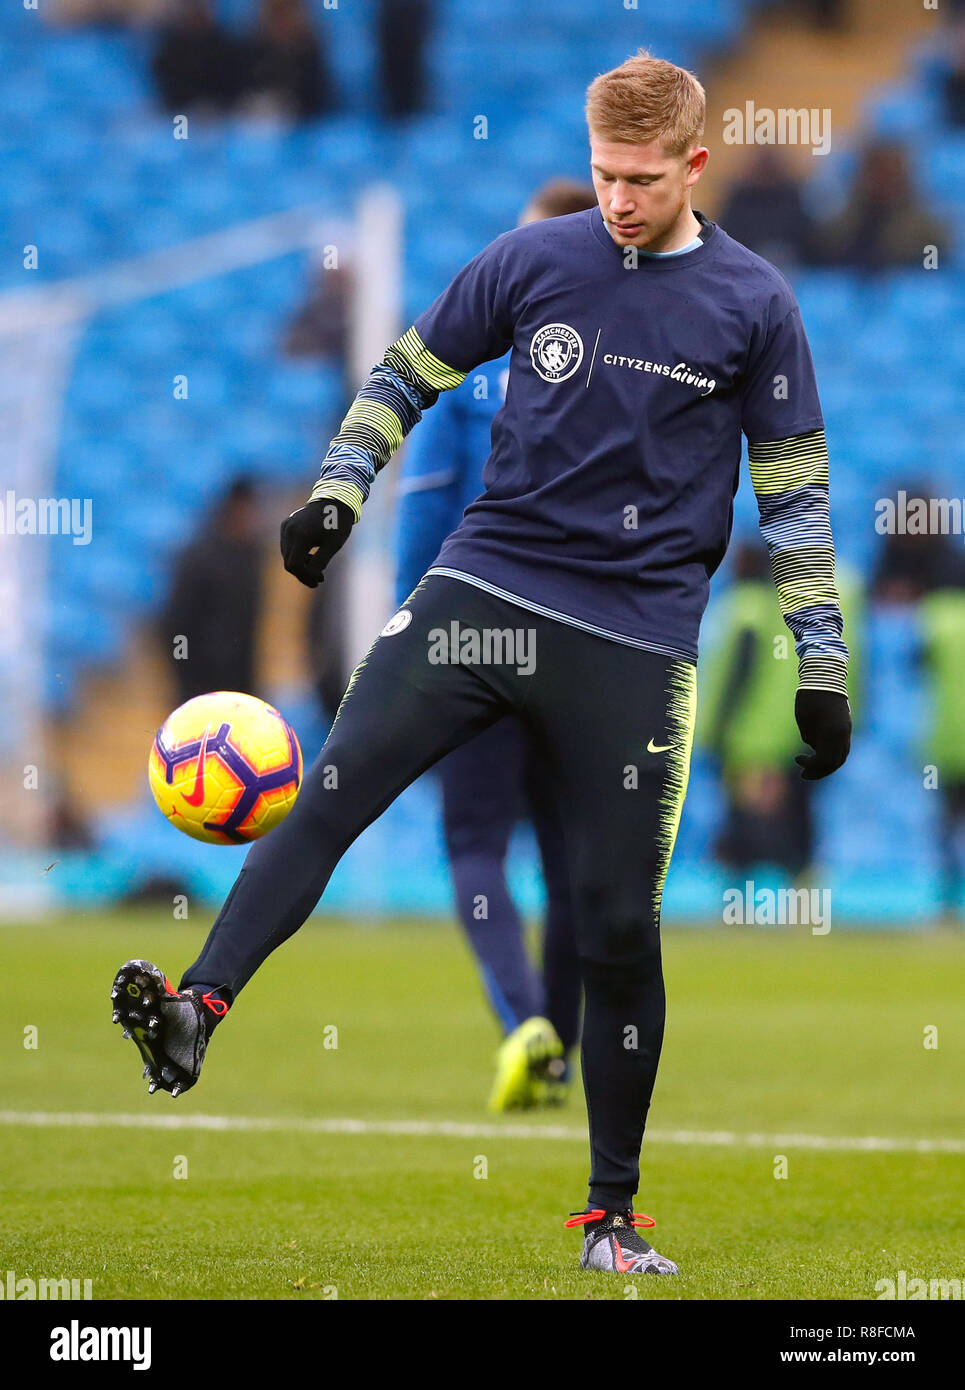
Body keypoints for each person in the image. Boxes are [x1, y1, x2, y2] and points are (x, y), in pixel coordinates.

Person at [111, 50, 852, 1279]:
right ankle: (198, 1009)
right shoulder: (534, 261)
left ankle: (611, 1214)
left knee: (616, 926)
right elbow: (405, 371)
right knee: (329, 797)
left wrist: (816, 664)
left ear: (693, 166)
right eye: (604, 174)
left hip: (634, 643)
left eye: (640, 179)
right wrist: (337, 493)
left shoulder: (754, 303)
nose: (615, 200)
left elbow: (795, 494)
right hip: (482, 592)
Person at [393, 179, 597, 1111]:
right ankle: (561, 1046)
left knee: (475, 841)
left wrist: (405, 629)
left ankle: (523, 1022)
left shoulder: (475, 372)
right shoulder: (621, 366)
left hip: (476, 630)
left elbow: (426, 511)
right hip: (590, 638)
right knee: (569, 851)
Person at [159, 477, 264, 706]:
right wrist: (186, 678)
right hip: (198, 687)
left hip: (238, 688)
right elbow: (176, 624)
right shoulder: (198, 558)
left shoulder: (251, 557)